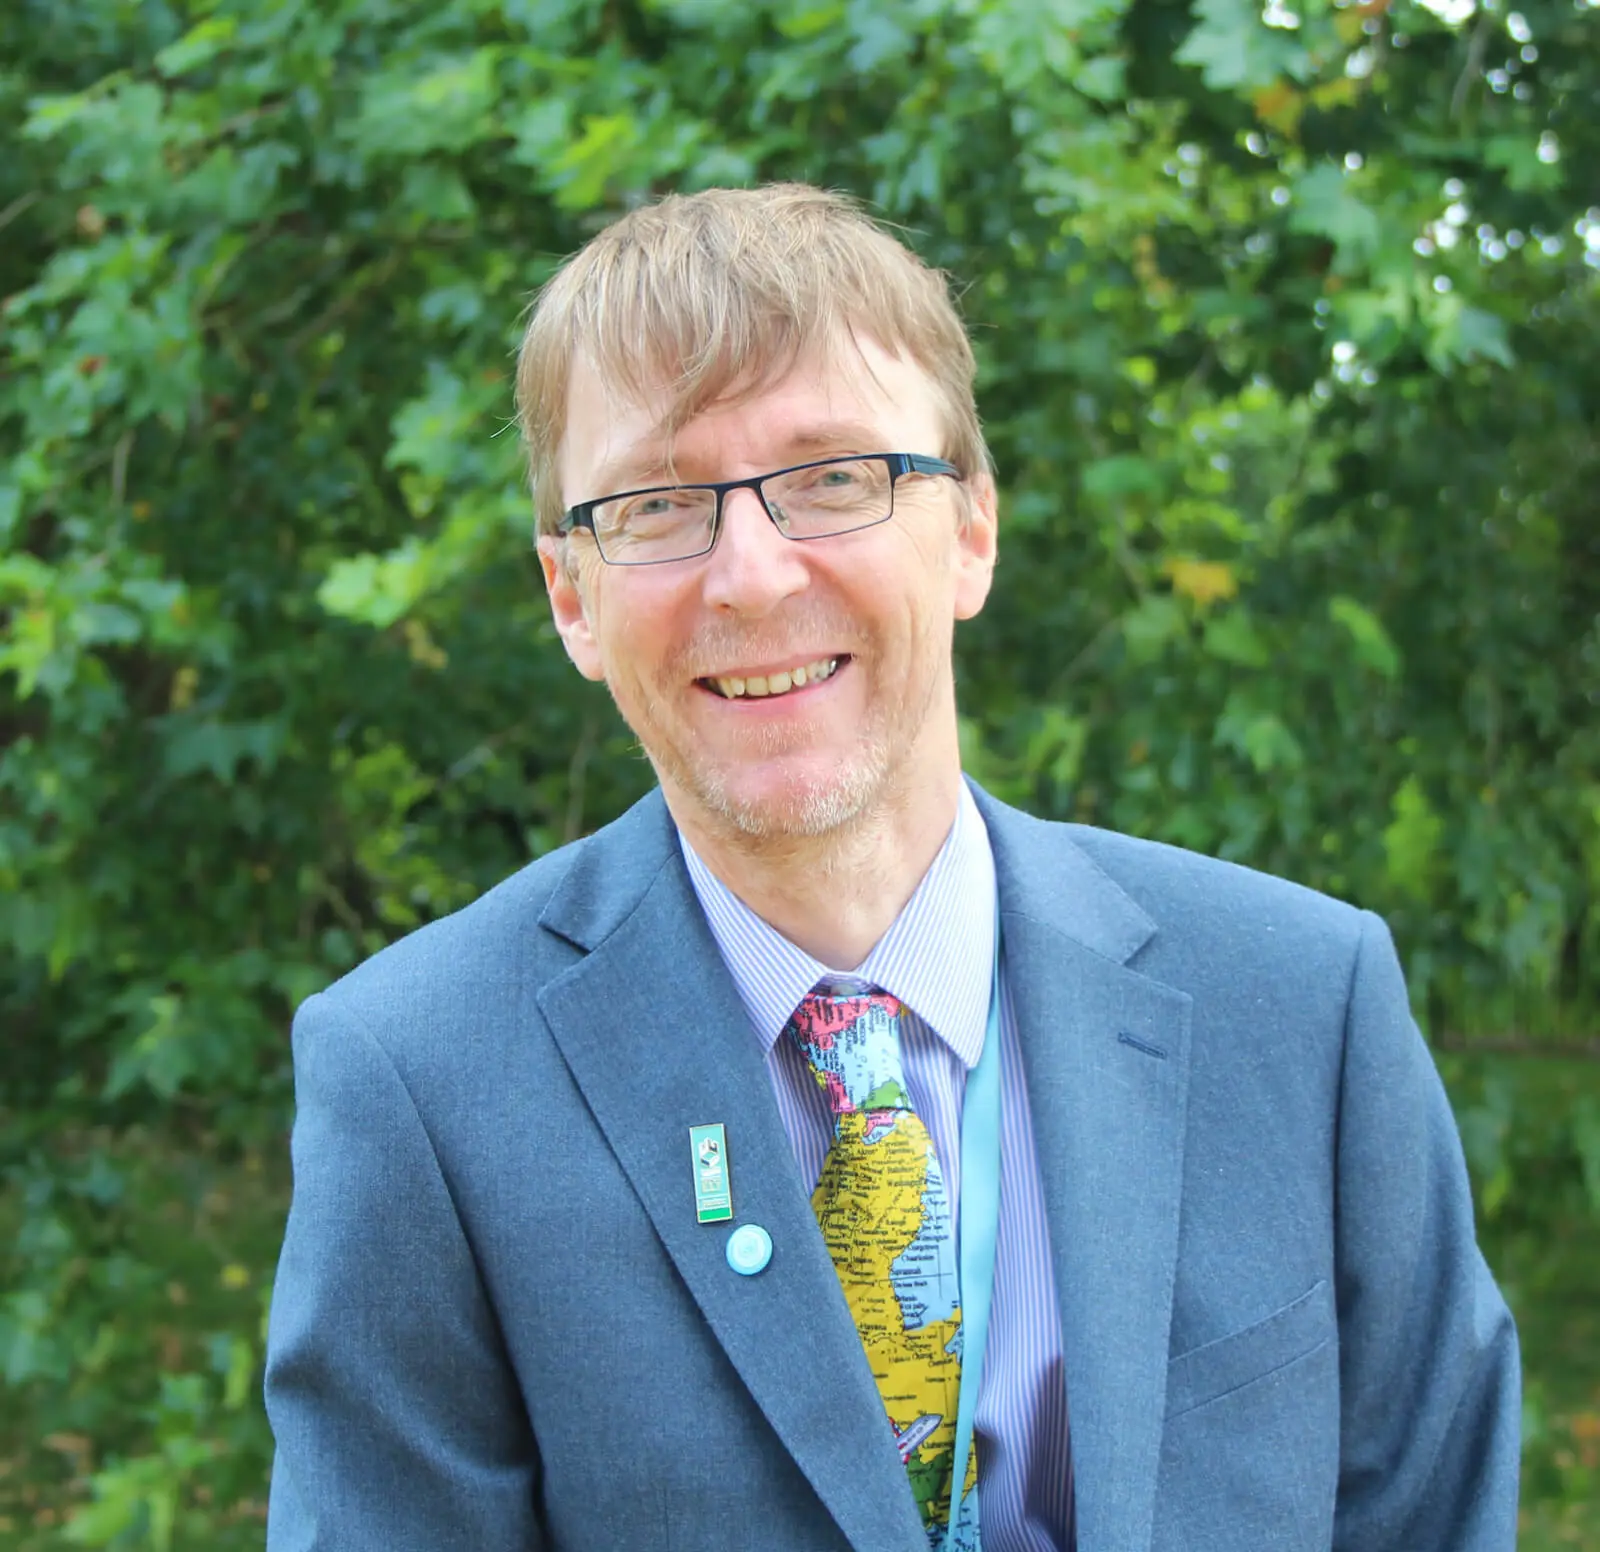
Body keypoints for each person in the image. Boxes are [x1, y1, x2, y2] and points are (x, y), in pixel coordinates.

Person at [262, 184, 1520, 1552]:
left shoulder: (1302, 1009)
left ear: (971, 529)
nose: (750, 575)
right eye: (657, 502)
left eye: (833, 479)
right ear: (571, 594)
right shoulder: (422, 1083)